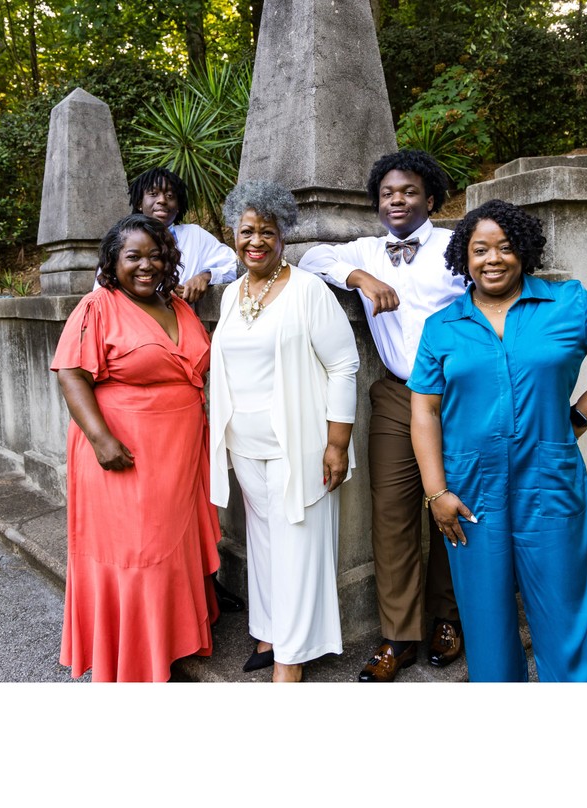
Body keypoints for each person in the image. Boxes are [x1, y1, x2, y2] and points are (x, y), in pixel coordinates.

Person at [409, 199, 587, 682]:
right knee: (485, 620)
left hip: (550, 479)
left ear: (523, 251)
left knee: (564, 613)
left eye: (505, 247)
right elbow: (424, 409)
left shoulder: (569, 303)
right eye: (480, 249)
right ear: (464, 257)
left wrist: (582, 414)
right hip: (469, 490)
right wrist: (436, 491)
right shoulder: (441, 327)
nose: (493, 259)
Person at [298, 149, 464, 682]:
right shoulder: (367, 249)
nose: (398, 200)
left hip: (461, 396)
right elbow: (309, 259)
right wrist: (360, 278)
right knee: (392, 515)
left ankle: (448, 618)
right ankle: (399, 635)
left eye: (409, 191)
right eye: (388, 193)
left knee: (451, 511)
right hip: (396, 394)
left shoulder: (455, 246)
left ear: (430, 199)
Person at [51, 213, 222, 682]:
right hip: (123, 451)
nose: (145, 266)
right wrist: (102, 440)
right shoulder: (98, 306)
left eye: (155, 256)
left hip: (181, 452)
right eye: (133, 257)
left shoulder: (179, 306)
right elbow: (71, 374)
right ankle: (133, 655)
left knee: (172, 547)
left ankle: (172, 638)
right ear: (113, 261)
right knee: (137, 552)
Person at [209, 180, 359, 683]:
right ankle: (270, 630)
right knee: (266, 543)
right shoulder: (232, 293)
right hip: (246, 446)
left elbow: (344, 366)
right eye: (246, 231)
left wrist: (338, 444)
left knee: (297, 546)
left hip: (303, 447)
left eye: (266, 232)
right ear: (234, 234)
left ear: (282, 236)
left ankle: (291, 659)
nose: (255, 240)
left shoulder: (307, 289)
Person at [93, 167, 238, 304]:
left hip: (182, 324)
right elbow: (101, 291)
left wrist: (206, 276)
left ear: (178, 206)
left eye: (170, 195)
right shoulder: (123, 237)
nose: (162, 200)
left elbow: (234, 266)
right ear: (139, 203)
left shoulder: (195, 235)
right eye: (153, 194)